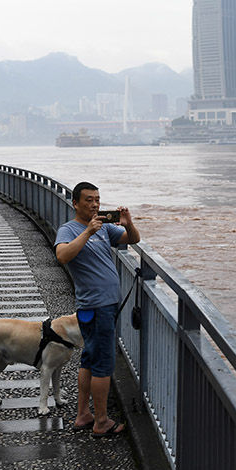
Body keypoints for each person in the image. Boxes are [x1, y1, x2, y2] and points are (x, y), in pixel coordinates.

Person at [54, 181, 140, 437]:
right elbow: (62, 256)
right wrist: (88, 232)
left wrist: (127, 223)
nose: (94, 204)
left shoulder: (103, 228)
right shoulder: (69, 230)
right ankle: (101, 422)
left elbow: (133, 239)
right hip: (95, 306)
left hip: (103, 306)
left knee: (89, 360)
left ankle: (84, 415)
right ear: (76, 203)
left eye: (97, 200)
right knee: (103, 364)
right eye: (89, 200)